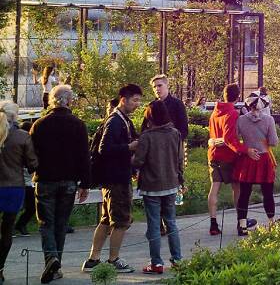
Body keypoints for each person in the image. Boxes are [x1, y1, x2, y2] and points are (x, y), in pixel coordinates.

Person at [29, 85, 90, 282]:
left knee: (46, 223)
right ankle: (56, 266)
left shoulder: (39, 124)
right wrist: (85, 184)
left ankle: (51, 258)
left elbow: (31, 155)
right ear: (69, 101)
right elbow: (84, 157)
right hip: (69, 182)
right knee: (61, 224)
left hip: (45, 180)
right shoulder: (78, 125)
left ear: (51, 101)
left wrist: (34, 169)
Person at [83, 84, 140, 274]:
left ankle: (93, 259)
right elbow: (104, 149)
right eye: (135, 100)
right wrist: (129, 147)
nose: (137, 104)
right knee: (122, 220)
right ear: (123, 99)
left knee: (106, 219)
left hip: (112, 178)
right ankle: (113, 259)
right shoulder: (116, 121)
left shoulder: (120, 119)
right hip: (117, 178)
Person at [131, 101, 183, 274]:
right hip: (171, 184)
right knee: (171, 223)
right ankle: (177, 260)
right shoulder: (175, 133)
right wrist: (180, 179)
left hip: (151, 186)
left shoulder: (147, 136)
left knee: (153, 225)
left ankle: (157, 263)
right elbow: (179, 159)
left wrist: (129, 156)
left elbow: (138, 161)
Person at [143, 74, 188, 237]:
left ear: (167, 86)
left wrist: (173, 142)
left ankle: (168, 222)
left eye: (160, 85)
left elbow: (184, 129)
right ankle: (159, 225)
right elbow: (144, 129)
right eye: (154, 87)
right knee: (157, 185)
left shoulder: (177, 105)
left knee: (171, 185)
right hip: (154, 153)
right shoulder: (152, 106)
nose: (157, 89)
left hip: (172, 150)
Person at [206, 84, 251, 236]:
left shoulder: (214, 112)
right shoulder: (232, 113)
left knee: (214, 188)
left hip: (213, 153)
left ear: (224, 95)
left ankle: (213, 223)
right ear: (238, 97)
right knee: (236, 187)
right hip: (228, 156)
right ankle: (241, 221)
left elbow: (214, 135)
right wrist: (244, 149)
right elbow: (229, 139)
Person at [0, 102, 38, 284]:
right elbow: (32, 164)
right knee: (6, 231)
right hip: (13, 188)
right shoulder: (22, 136)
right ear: (15, 117)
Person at [234, 92, 279, 231]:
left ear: (248, 104)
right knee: (267, 193)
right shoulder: (269, 120)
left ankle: (242, 225)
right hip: (264, 157)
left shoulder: (240, 119)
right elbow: (273, 141)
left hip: (248, 158)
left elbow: (235, 138)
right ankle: (271, 223)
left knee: (244, 194)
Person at [13, 120, 35, 238]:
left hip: (25, 181)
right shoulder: (23, 143)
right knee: (29, 207)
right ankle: (17, 226)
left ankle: (18, 225)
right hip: (21, 180)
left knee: (31, 207)